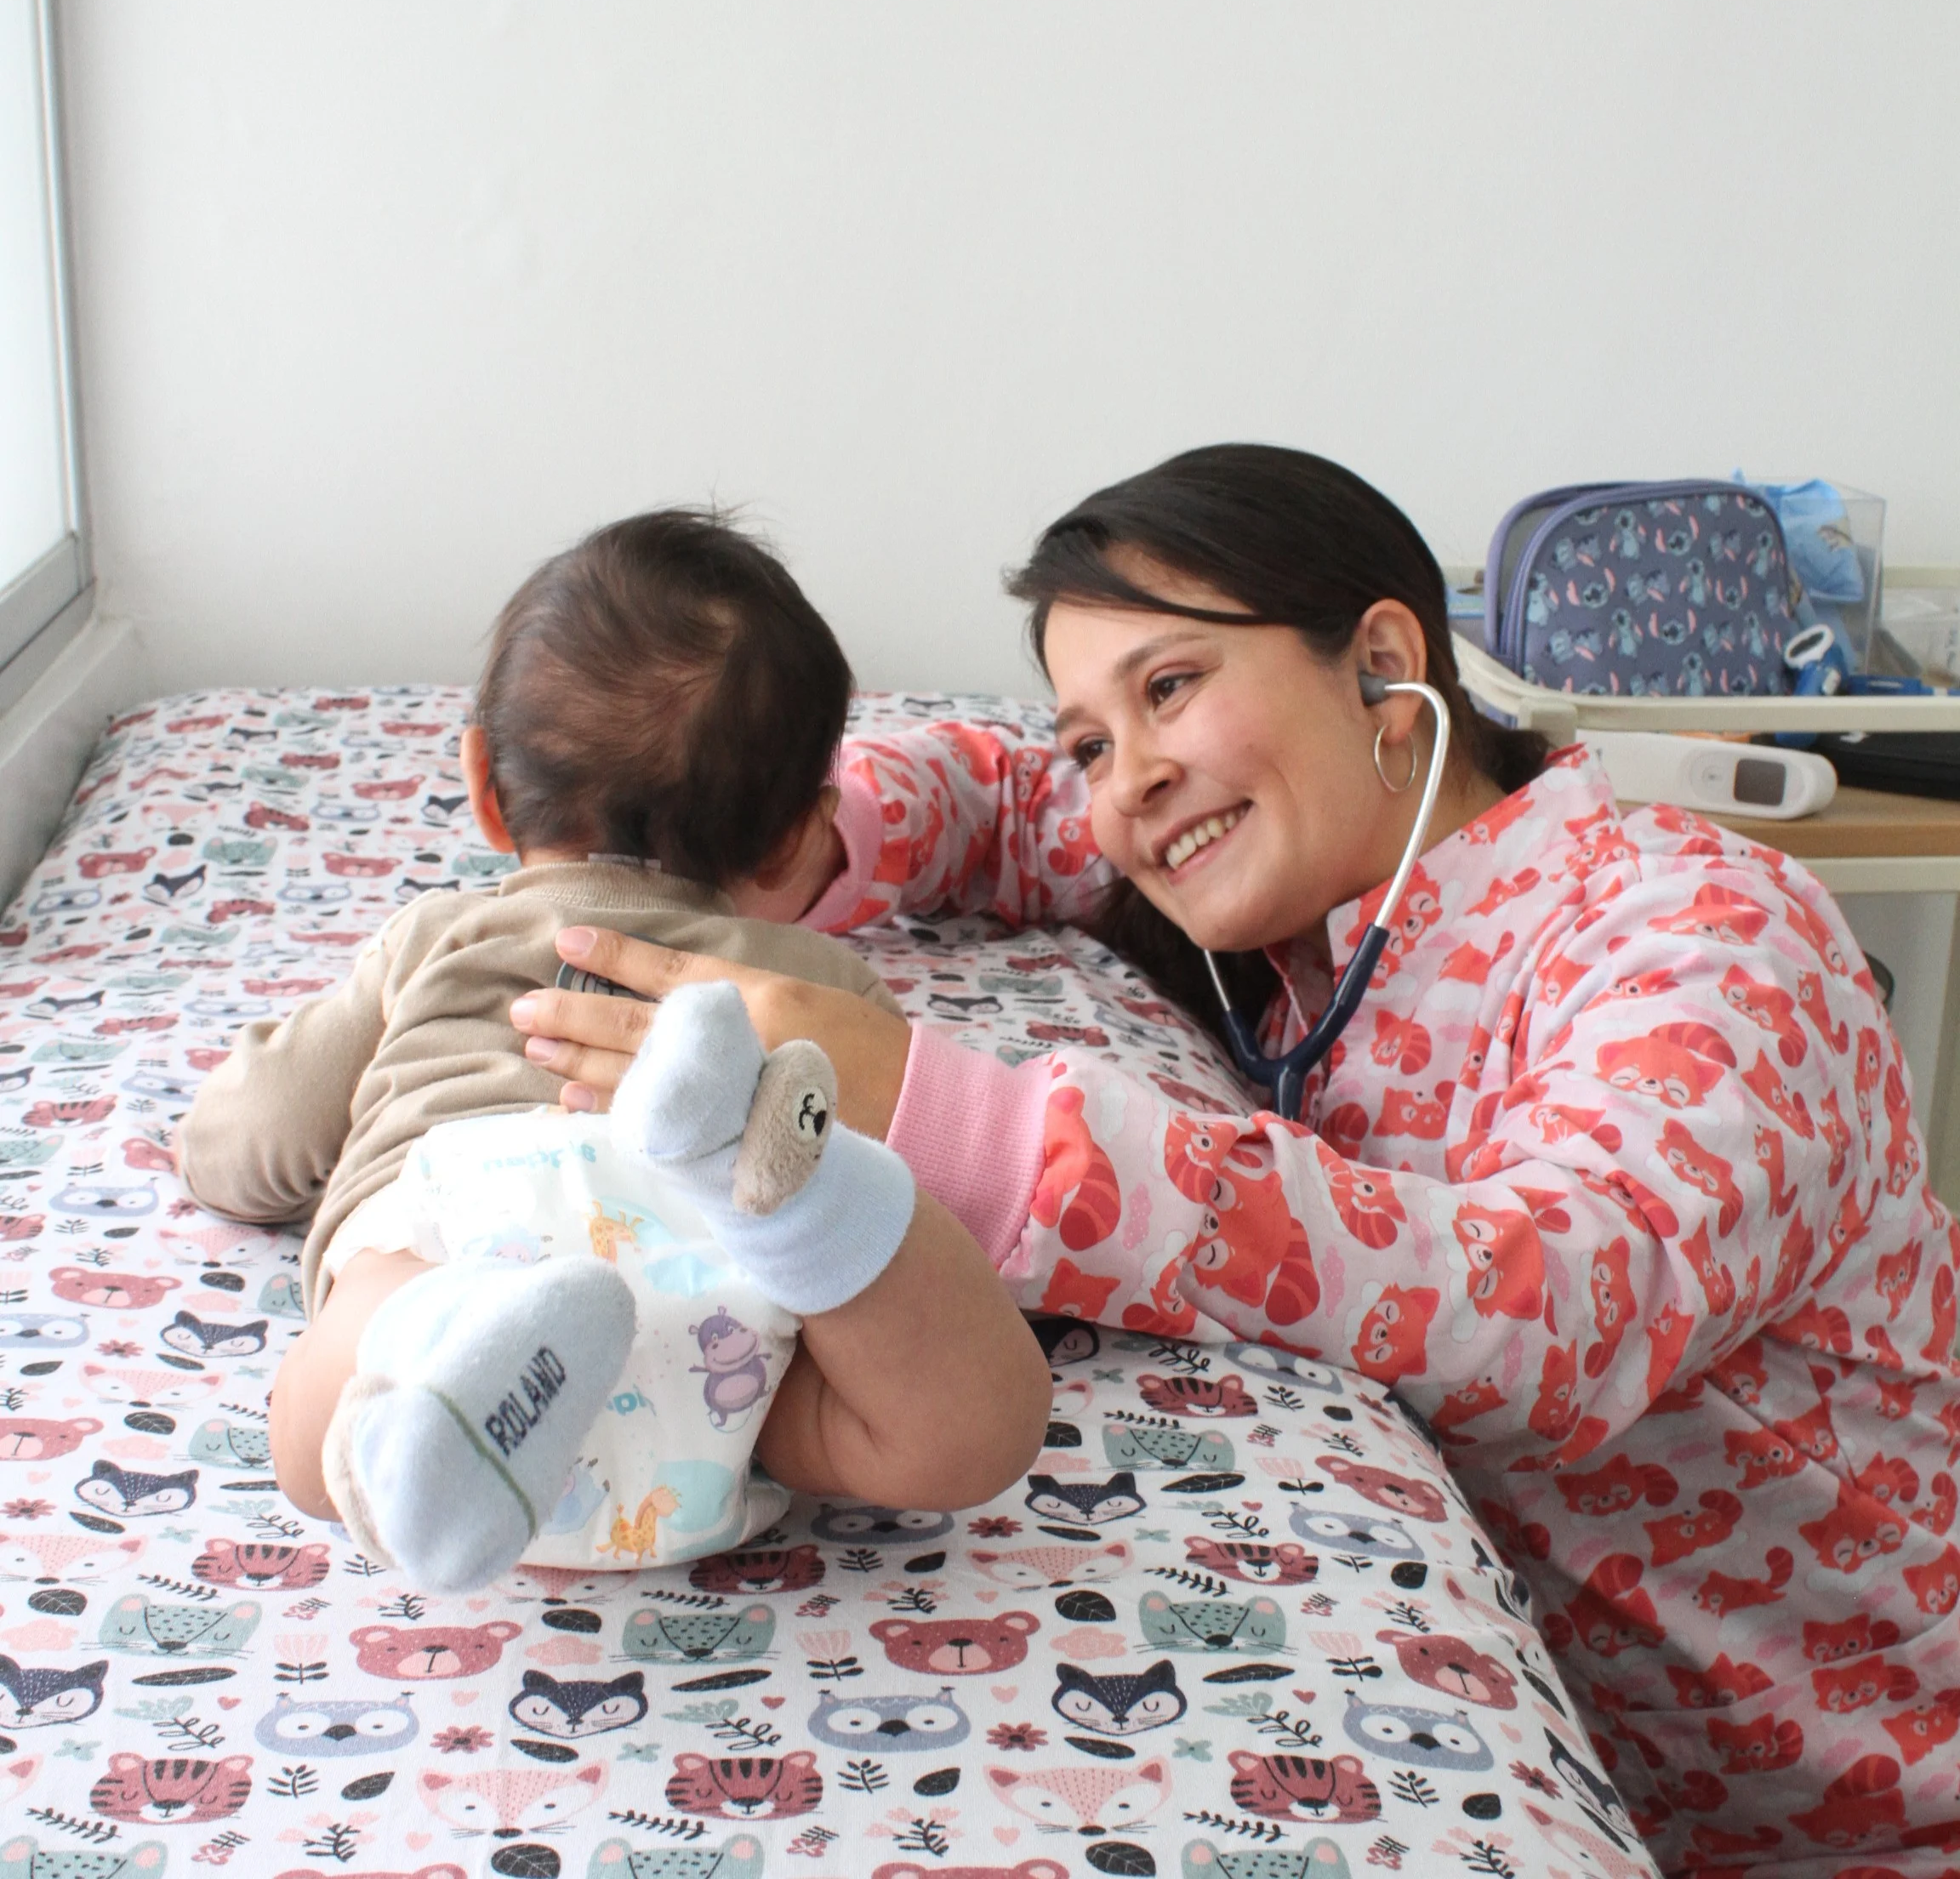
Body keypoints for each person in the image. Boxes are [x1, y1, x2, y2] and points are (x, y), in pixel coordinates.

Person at [515, 447, 1960, 1874]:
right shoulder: (1291, 890)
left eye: (1169, 687)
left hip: (1880, 1807)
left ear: (1382, 665)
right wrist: (764, 855)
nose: (1125, 784)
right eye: (1093, 740)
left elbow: (1555, 1306)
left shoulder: (1703, 935)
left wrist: (966, 1124)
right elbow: (1006, 799)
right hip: (1635, 1770)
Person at [178, 510, 1048, 1591]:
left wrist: (224, 1141)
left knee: (324, 1403)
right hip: (725, 1325)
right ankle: (801, 1204)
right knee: (949, 1421)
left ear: (484, 787)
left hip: (465, 1220)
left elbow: (245, 1143)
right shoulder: (822, 992)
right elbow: (943, 1181)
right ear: (797, 839)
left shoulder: (439, 935)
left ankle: (441, 1346)